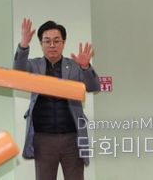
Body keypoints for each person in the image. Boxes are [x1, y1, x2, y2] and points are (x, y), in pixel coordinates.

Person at [13, 18, 100, 180]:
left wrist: (85, 67)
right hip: (43, 140)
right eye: (47, 41)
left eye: (56, 41)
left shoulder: (74, 66)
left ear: (63, 43)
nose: (52, 45)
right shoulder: (34, 66)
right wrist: (23, 45)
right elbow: (17, 74)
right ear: (41, 44)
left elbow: (94, 86)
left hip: (72, 139)